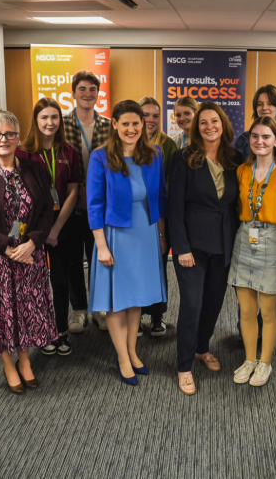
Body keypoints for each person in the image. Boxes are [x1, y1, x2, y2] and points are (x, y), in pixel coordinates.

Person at [0, 110, 57, 395]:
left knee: (25, 310)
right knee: (1, 312)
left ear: (18, 137)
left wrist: (32, 243)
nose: (3, 139)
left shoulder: (36, 169)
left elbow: (45, 212)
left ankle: (25, 358)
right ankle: (6, 361)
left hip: (29, 255)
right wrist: (6, 246)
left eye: (9, 134)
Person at [87, 100, 168, 386]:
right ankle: (122, 357)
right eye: (126, 124)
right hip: (115, 235)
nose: (132, 129)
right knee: (116, 302)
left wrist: (161, 236)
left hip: (145, 233)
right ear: (115, 125)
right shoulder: (100, 157)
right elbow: (94, 204)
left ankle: (133, 351)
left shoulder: (154, 154)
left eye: (137, 123)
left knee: (136, 300)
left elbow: (159, 197)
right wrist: (102, 246)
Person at [170, 102, 243, 395]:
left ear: (223, 124)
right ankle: (184, 365)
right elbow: (173, 207)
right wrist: (181, 247)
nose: (209, 126)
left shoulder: (235, 157)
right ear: (196, 127)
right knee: (192, 305)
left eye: (214, 121)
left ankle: (202, 347)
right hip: (192, 247)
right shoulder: (183, 158)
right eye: (203, 122)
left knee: (213, 303)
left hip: (223, 244)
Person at [228, 116, 276, 387]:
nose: (260, 141)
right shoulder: (242, 170)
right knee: (246, 309)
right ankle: (249, 359)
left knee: (268, 311)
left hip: (273, 240)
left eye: (266, 137)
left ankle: (265, 361)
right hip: (245, 238)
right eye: (255, 136)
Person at [16, 98, 82, 356]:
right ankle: (42, 332)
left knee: (60, 280)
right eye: (44, 117)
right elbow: (20, 196)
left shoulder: (69, 152)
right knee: (35, 283)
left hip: (63, 226)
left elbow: (73, 191)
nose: (50, 122)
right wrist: (35, 233)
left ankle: (61, 330)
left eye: (55, 117)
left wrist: (55, 231)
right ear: (36, 120)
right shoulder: (23, 153)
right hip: (33, 228)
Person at [62, 70, 112, 332]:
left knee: (98, 259)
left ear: (98, 93)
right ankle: (78, 309)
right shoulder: (61, 123)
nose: (87, 94)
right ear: (74, 93)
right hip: (70, 205)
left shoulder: (107, 125)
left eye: (92, 89)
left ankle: (98, 309)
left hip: (99, 206)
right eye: (82, 89)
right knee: (72, 259)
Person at [138, 96, 178, 337]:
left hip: (158, 217)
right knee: (136, 269)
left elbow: (167, 187)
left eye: (155, 115)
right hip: (133, 218)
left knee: (158, 266)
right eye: (145, 115)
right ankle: (136, 314)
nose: (150, 120)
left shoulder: (168, 145)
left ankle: (157, 315)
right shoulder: (126, 142)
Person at [233, 85, 276, 170]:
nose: (264, 108)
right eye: (259, 104)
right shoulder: (243, 139)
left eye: (270, 104)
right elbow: (235, 174)